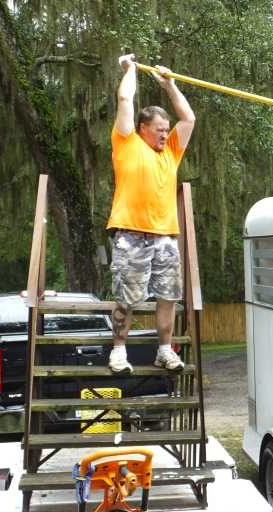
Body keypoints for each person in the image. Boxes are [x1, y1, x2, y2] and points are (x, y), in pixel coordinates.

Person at [106, 53, 195, 374]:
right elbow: (124, 97)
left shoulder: (170, 151)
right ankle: (118, 351)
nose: (164, 133)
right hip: (131, 232)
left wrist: (170, 85)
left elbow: (189, 120)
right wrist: (130, 69)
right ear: (143, 128)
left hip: (166, 236)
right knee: (126, 297)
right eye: (159, 129)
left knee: (168, 296)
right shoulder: (126, 141)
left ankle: (164, 351)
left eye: (165, 129)